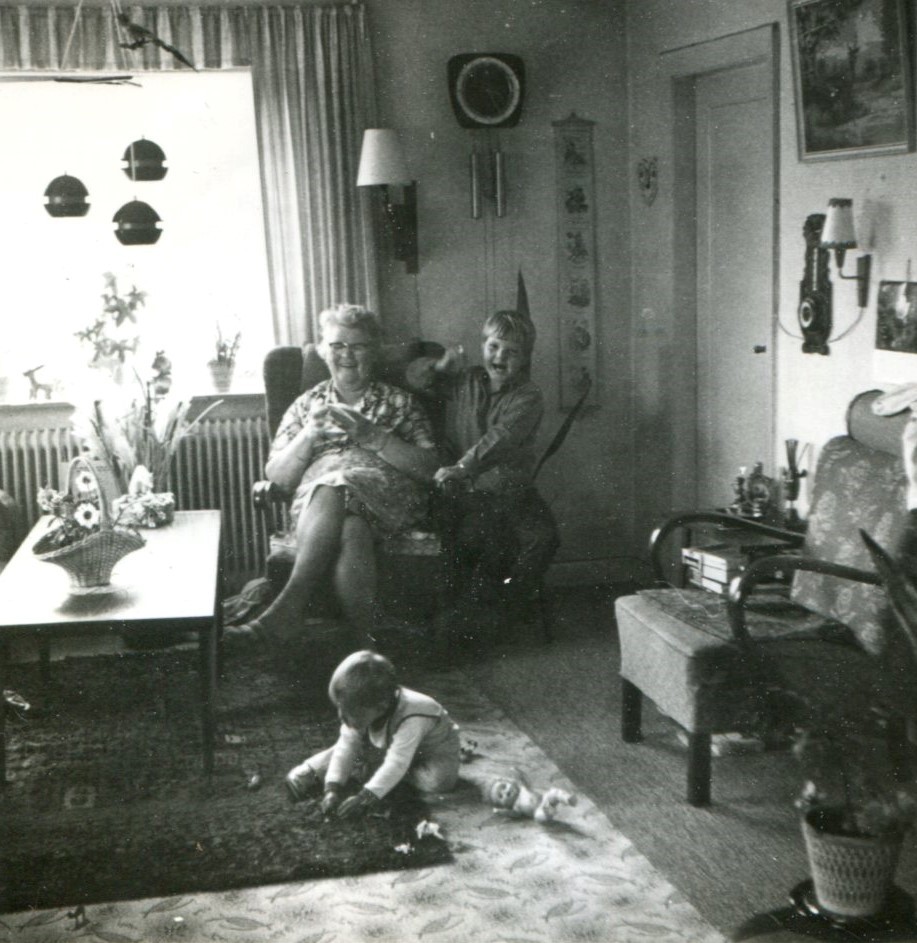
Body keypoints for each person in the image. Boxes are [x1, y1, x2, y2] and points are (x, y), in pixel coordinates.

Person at [229, 304, 439, 649]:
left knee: (336, 484)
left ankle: (285, 612)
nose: (347, 355)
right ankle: (362, 644)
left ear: (374, 351)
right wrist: (309, 435)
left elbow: (430, 468)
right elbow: (278, 478)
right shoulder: (305, 405)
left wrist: (375, 438)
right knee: (351, 526)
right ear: (324, 351)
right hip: (318, 511)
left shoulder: (400, 403)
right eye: (337, 345)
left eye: (358, 346)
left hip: (389, 501)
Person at [407, 309, 559, 623]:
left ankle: (506, 606)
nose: (500, 357)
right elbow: (415, 379)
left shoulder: (528, 396)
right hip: (464, 491)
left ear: (525, 358)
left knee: (544, 538)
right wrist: (440, 366)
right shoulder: (465, 380)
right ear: (483, 346)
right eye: (494, 347)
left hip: (509, 489)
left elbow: (500, 438)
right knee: (480, 538)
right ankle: (473, 615)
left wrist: (463, 467)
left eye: (511, 352)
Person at [285, 649, 461, 814]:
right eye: (339, 708)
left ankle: (381, 770)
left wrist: (366, 796)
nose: (341, 717)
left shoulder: (414, 715)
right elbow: (345, 747)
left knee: (438, 782)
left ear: (381, 707)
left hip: (432, 753)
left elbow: (398, 761)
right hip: (392, 746)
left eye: (350, 713)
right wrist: (332, 789)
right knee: (348, 747)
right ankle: (311, 771)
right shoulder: (367, 707)